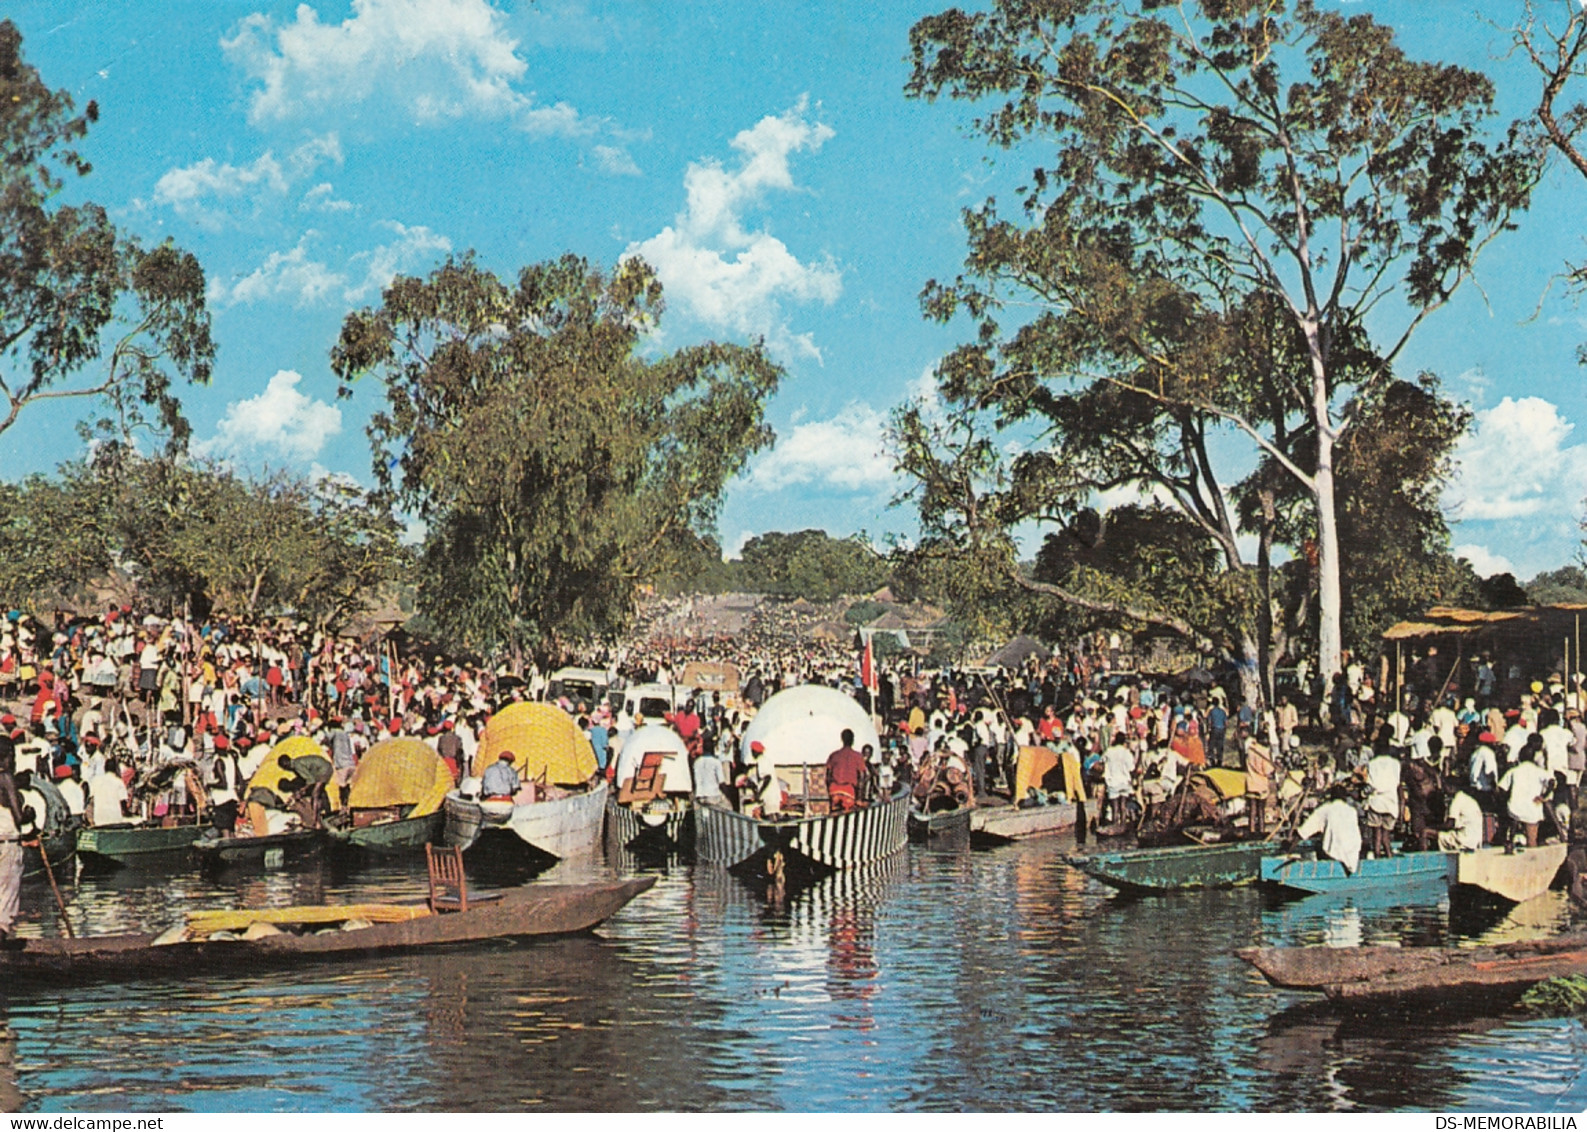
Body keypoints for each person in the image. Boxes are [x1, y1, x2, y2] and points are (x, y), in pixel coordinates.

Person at [1294, 784, 1362, 874]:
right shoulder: (1352, 811)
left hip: (1334, 853)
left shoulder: (1325, 809)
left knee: (1318, 846)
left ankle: (1323, 871)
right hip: (1352, 853)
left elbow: (1304, 831)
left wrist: (1290, 847)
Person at [1497, 743, 1553, 848]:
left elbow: (1501, 788)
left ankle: (1511, 844)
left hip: (1514, 808)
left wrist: (1505, 798)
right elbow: (1551, 782)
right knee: (1532, 839)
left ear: (1520, 757)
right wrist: (1543, 796)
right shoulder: (1539, 771)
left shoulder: (1513, 771)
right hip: (1532, 809)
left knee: (1511, 835)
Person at [0, 739, 25, 942]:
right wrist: (29, 816)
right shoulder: (5, 777)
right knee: (6, 900)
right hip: (7, 841)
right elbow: (19, 817)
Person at [1363, 746, 1402, 858]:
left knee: (1377, 835)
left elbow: (1370, 785)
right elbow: (1397, 782)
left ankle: (1377, 857)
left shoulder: (1372, 763)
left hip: (1376, 801)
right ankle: (1389, 856)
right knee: (1386, 836)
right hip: (1391, 802)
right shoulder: (1395, 763)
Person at [825, 729, 869, 812]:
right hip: (849, 790)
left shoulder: (834, 755)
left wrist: (829, 791)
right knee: (847, 816)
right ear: (853, 740)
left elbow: (828, 776)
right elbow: (862, 776)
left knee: (834, 814)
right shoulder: (857, 756)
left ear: (842, 739)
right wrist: (859, 798)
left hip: (834, 790)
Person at [1439, 786, 1486, 852]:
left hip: (1464, 840)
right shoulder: (1468, 799)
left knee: (1427, 833)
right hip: (1475, 840)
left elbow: (1449, 825)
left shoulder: (1457, 800)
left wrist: (1432, 827)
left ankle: (1424, 859)